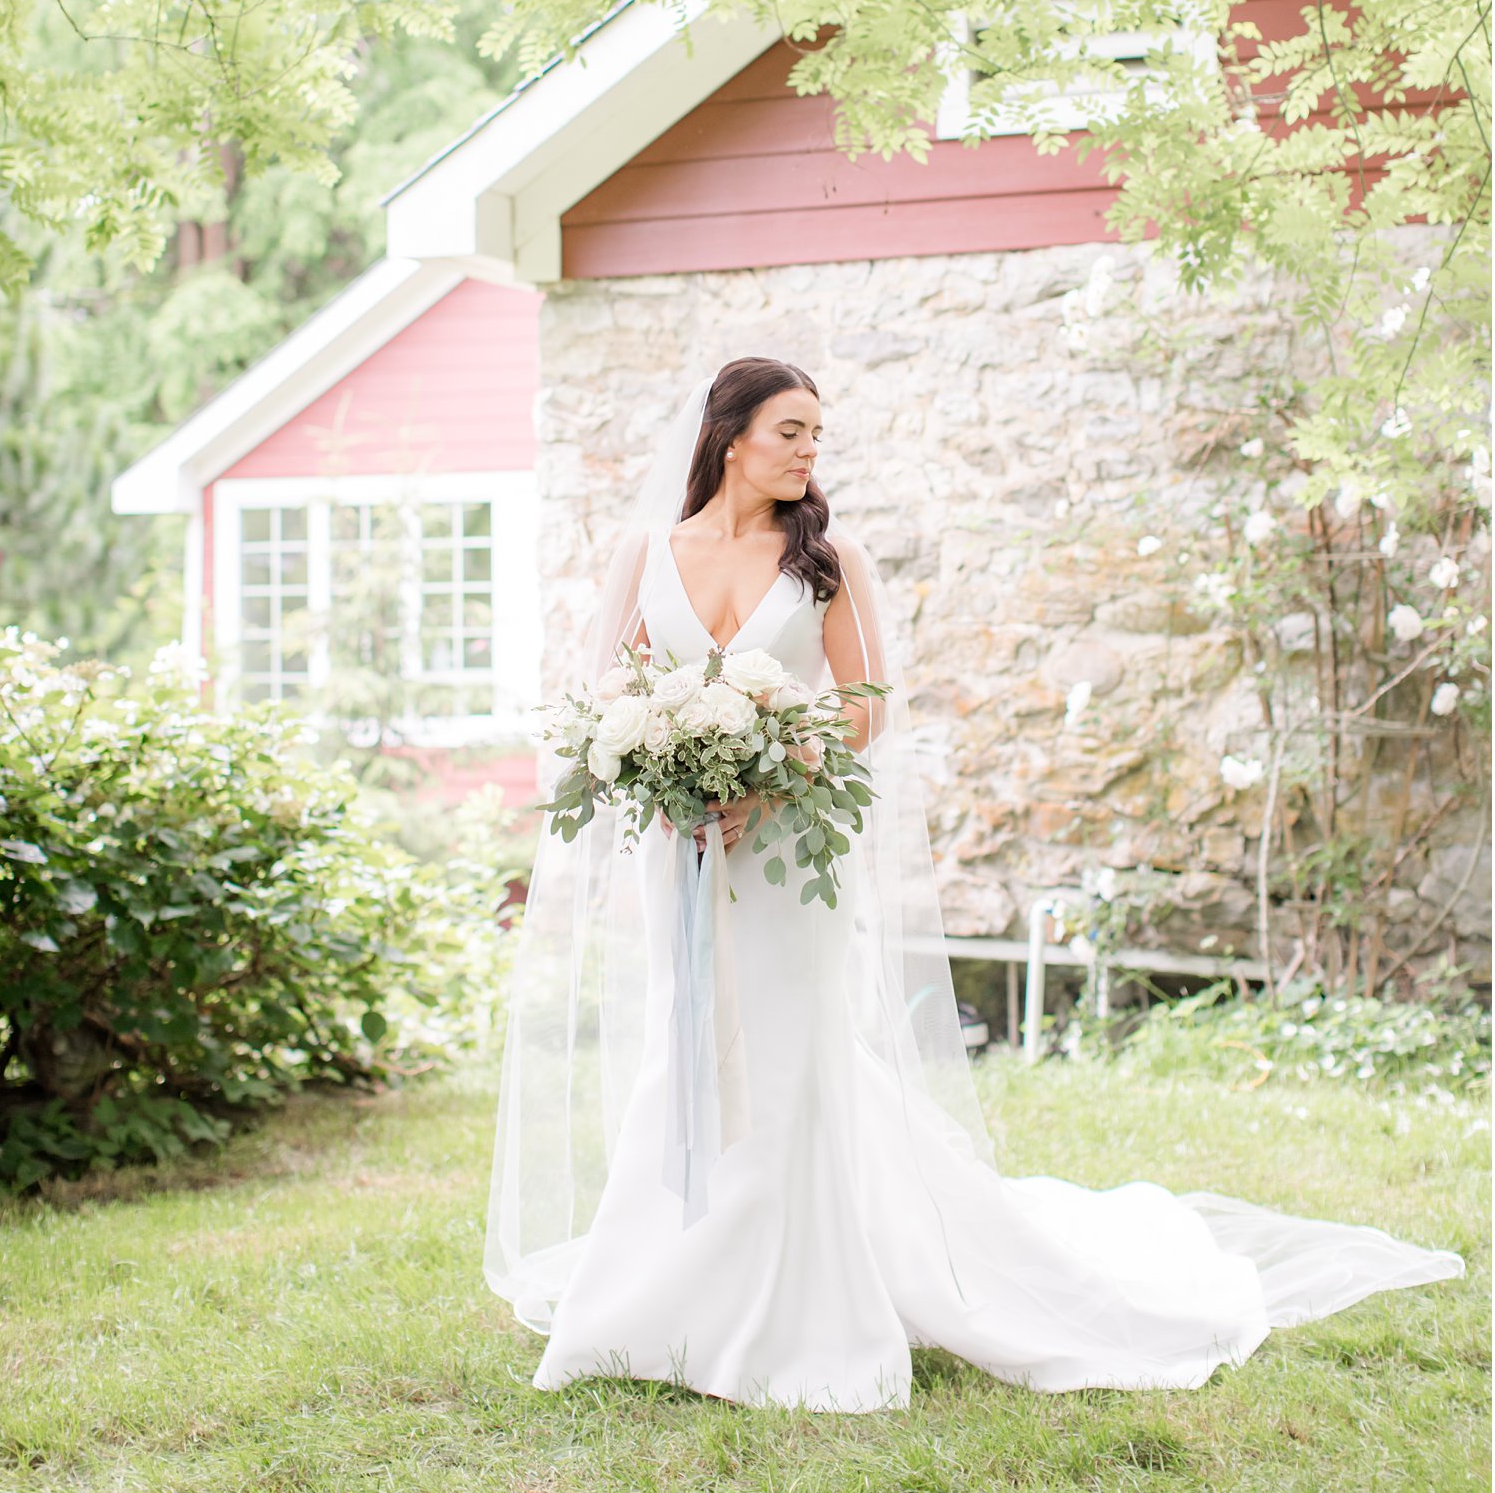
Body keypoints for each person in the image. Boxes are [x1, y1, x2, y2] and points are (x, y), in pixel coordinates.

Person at [484, 358, 1466, 1411]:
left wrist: (766, 781)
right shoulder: (648, 552)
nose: (809, 451)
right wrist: (668, 773)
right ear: (727, 436)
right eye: (790, 431)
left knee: (787, 1047)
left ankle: (802, 1309)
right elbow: (606, 695)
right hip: (681, 848)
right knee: (688, 1041)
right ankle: (657, 1300)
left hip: (779, 847)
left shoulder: (827, 557)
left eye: (816, 434)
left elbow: (865, 704)